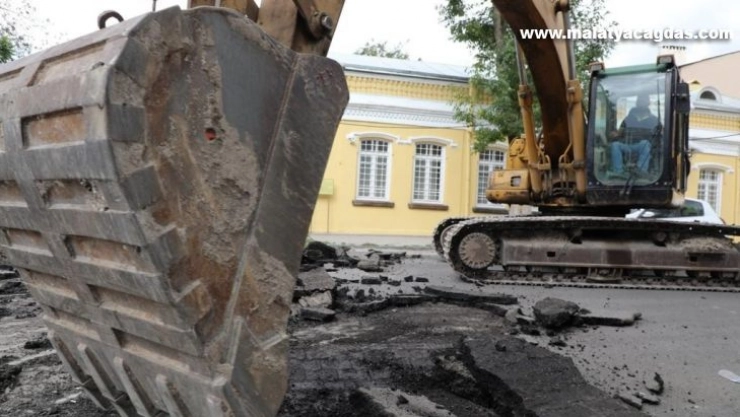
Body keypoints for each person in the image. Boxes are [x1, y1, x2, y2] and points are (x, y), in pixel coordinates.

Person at [608, 93, 659, 175]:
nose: (642, 102)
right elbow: (619, 132)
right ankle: (618, 172)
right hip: (627, 145)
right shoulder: (628, 119)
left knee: (645, 144)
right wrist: (614, 134)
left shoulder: (655, 120)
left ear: (648, 103)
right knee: (615, 145)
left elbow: (660, 135)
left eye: (644, 100)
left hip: (642, 146)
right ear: (637, 103)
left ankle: (640, 171)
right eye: (640, 100)